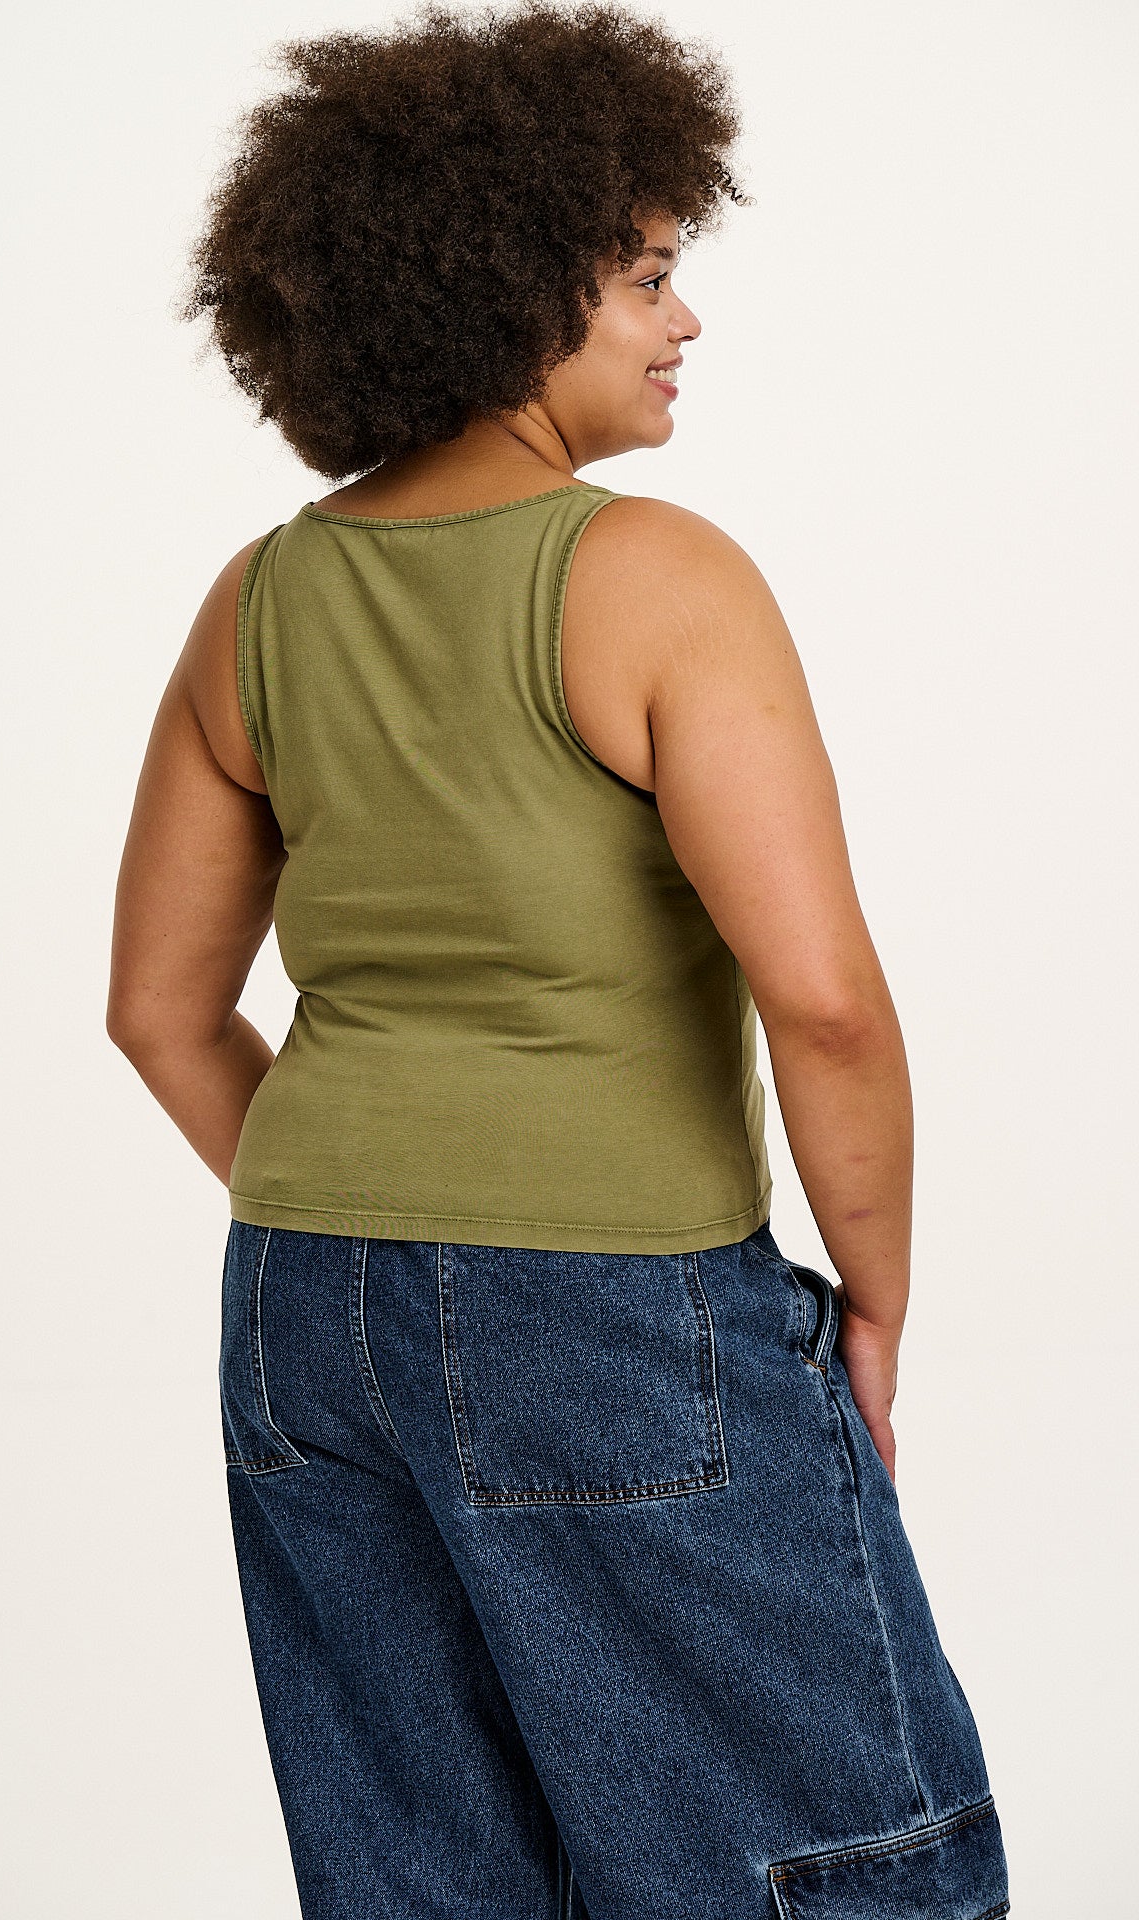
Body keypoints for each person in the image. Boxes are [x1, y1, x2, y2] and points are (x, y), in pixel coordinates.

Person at [107, 3, 1011, 1913]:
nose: (688, 320)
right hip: (614, 1316)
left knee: (431, 1877)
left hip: (299, 1312)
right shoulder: (657, 575)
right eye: (650, 276)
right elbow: (823, 1001)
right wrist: (871, 1300)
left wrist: (378, 1214)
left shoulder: (255, 602)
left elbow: (161, 1015)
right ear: (514, 286)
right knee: (830, 1867)